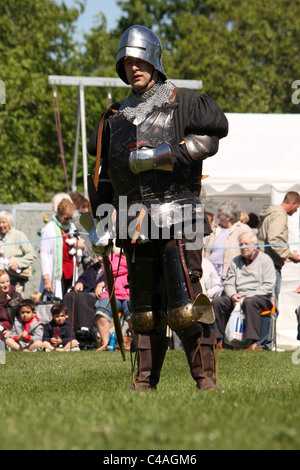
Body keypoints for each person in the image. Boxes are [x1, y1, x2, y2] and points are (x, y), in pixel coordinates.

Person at [87, 25, 228, 391]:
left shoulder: (184, 102)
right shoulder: (113, 118)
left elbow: (208, 141)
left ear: (154, 59)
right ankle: (144, 381)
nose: (133, 68)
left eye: (139, 60)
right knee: (144, 310)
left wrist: (156, 157)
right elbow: (104, 177)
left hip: (180, 216)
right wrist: (102, 220)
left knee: (186, 303)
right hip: (134, 222)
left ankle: (205, 380)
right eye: (126, 62)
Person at [212, 232, 276, 350]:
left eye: (246, 244)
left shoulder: (265, 260)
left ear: (255, 245)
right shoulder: (235, 261)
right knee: (217, 302)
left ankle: (253, 343)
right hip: (238, 296)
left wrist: (245, 297)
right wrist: (233, 295)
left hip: (260, 297)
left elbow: (268, 285)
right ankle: (219, 341)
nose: (243, 247)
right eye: (241, 244)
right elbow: (229, 283)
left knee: (249, 302)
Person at [258, 191, 300, 317]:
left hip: (264, 262)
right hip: (271, 266)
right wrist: (289, 254)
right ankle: (269, 336)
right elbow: (274, 239)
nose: (296, 211)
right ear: (292, 203)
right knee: (271, 305)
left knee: (265, 303)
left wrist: (284, 255)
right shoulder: (279, 215)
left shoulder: (270, 213)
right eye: (297, 207)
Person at [39, 198, 85, 299]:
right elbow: (44, 255)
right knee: (58, 306)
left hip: (71, 272)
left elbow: (81, 246)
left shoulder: (72, 227)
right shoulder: (48, 230)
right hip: (57, 274)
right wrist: (46, 279)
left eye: (70, 218)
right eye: (66, 218)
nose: (68, 221)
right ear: (58, 213)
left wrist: (79, 244)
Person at [203, 200, 253, 286]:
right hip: (211, 275)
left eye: (220, 214)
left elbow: (251, 251)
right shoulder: (215, 229)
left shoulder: (243, 229)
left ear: (228, 216)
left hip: (231, 276)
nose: (218, 216)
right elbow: (203, 247)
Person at [95, 251, 131, 350]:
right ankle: (106, 344)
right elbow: (108, 271)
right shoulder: (111, 257)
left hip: (129, 293)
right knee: (101, 312)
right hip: (112, 293)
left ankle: (136, 342)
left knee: (133, 314)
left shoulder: (133, 255)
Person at [62, 254, 105, 332]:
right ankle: (68, 325)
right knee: (68, 296)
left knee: (82, 298)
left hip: (97, 295)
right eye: (98, 256)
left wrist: (102, 283)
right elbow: (83, 277)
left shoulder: (113, 267)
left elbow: (115, 278)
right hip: (86, 291)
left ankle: (85, 327)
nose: (99, 259)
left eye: (101, 256)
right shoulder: (94, 267)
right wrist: (80, 283)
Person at [0, 210, 36, 295]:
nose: (1, 225)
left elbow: (31, 254)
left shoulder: (18, 235)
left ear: (9, 223)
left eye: (3, 222)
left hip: (15, 281)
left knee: (15, 305)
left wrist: (18, 263)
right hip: (0, 283)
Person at [70, 191, 98, 274]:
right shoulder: (78, 220)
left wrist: (90, 260)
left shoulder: (79, 220)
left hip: (86, 264)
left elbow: (85, 241)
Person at [0, 269, 23, 350]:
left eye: (7, 281)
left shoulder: (16, 297)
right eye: (2, 283)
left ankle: (23, 349)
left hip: (12, 328)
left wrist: (11, 330)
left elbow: (21, 318)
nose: (6, 285)